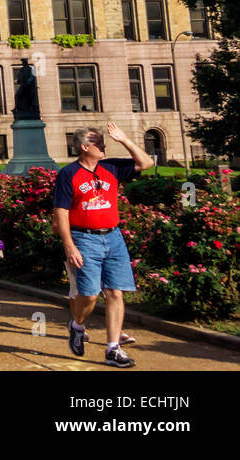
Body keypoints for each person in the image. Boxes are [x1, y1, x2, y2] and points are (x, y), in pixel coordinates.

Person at [52, 122, 153, 368]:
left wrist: (125, 140)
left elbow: (146, 163)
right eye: (97, 142)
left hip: (114, 236)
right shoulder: (69, 174)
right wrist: (69, 245)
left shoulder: (111, 167)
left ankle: (112, 349)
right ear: (84, 147)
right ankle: (77, 325)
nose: (103, 145)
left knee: (115, 292)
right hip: (84, 238)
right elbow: (61, 212)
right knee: (89, 295)